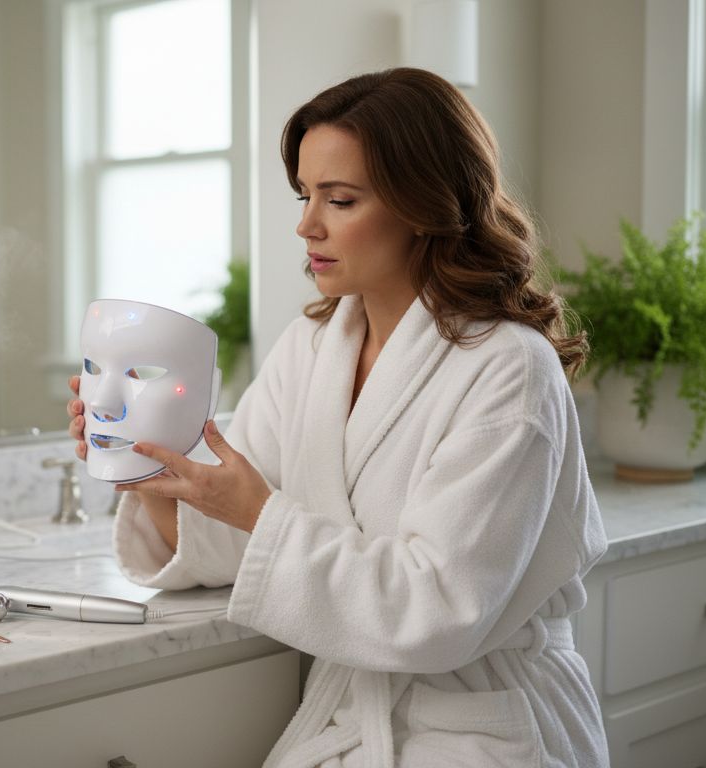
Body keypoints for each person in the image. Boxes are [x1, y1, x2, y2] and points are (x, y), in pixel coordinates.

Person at [68, 68, 608, 767]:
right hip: (350, 717)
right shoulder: (315, 348)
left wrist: (259, 515)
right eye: (304, 195)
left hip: (482, 729)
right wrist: (143, 466)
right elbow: (239, 542)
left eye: (340, 199)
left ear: (424, 204)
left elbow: (439, 610)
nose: (306, 224)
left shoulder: (509, 369)